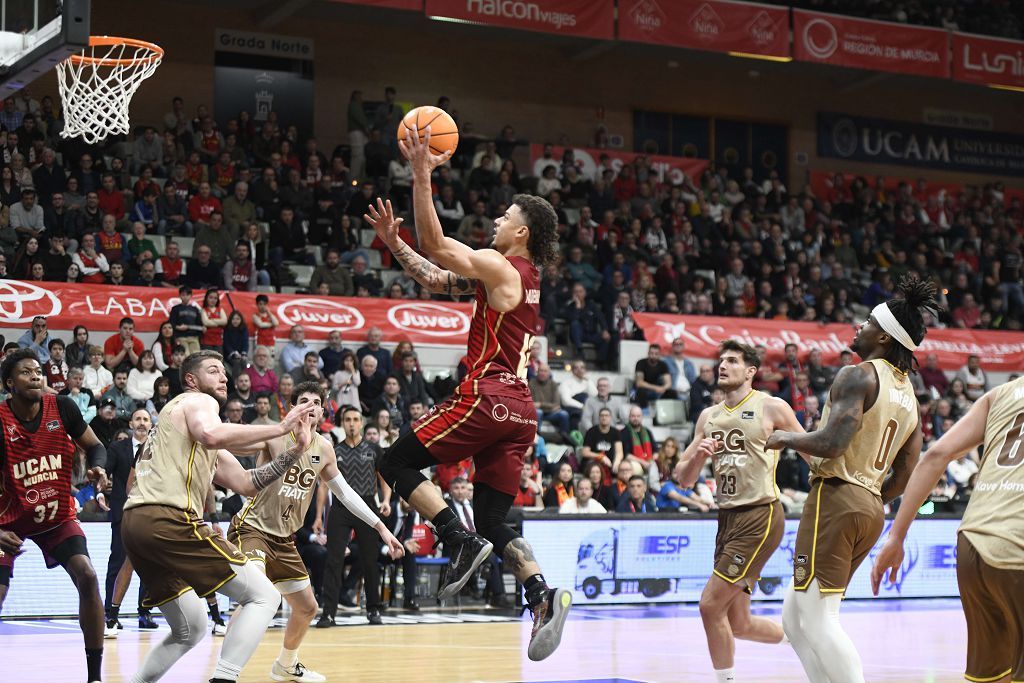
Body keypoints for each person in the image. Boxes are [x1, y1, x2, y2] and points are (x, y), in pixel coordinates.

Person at [367, 124, 569, 661]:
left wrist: (420, 173)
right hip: (522, 411)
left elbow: (437, 244)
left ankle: (456, 540)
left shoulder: (502, 264)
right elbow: (435, 275)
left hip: (488, 395)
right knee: (498, 520)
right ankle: (541, 595)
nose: (498, 221)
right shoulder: (512, 278)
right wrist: (394, 243)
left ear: (522, 233)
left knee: (394, 462)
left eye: (506, 218)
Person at [765, 276, 934, 683]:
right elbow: (908, 471)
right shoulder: (910, 395)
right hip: (871, 506)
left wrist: (786, 436)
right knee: (794, 615)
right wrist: (872, 494)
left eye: (868, 323)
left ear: (883, 337)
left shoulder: (856, 374)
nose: (859, 327)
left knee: (820, 619)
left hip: (837, 499)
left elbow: (834, 442)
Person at [120, 350, 318, 683]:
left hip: (136, 525)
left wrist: (295, 452)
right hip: (167, 518)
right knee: (265, 596)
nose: (224, 377)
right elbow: (212, 434)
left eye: (224, 371)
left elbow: (246, 483)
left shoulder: (184, 425)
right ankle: (224, 679)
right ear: (191, 380)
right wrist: (280, 427)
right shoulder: (197, 401)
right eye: (214, 370)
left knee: (191, 628)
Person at [229, 384, 402, 680]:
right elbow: (235, 444)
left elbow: (346, 495)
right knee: (256, 596)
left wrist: (381, 527)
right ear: (291, 408)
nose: (310, 406)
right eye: (303, 401)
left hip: (284, 539)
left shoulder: (323, 447)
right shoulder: (276, 435)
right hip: (252, 528)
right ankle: (224, 671)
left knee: (307, 607)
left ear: (322, 412)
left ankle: (286, 663)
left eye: (316, 402)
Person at [871, 377, 1024, 683]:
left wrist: (896, 537)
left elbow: (936, 456)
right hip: (1017, 546)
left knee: (991, 676)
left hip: (972, 544)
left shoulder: (1001, 393)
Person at [676, 340, 806, 683]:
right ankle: (799, 641)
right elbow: (681, 478)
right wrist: (700, 456)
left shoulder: (771, 406)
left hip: (760, 514)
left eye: (732, 361)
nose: (723, 366)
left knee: (709, 605)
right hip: (727, 518)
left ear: (751, 371)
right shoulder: (709, 416)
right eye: (721, 361)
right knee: (738, 623)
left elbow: (812, 451)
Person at [0, 349, 109, 683]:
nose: (35, 375)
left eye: (38, 370)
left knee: (88, 577)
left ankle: (94, 677)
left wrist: (98, 467)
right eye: (25, 372)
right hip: (8, 520)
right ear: (8, 383)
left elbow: (96, 446)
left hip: (56, 516)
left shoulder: (62, 407)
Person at [316, 406, 394, 627]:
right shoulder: (334, 450)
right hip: (340, 508)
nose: (351, 423)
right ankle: (328, 613)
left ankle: (373, 610)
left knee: (370, 560)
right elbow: (323, 485)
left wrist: (386, 500)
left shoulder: (374, 449)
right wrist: (319, 517)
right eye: (347, 419)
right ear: (342, 424)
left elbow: (384, 479)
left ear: (361, 423)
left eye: (355, 419)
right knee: (334, 560)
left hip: (368, 506)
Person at [103, 408, 157, 635]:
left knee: (148, 565)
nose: (142, 423)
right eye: (138, 419)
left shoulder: (159, 451)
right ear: (131, 424)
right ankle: (109, 614)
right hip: (122, 515)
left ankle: (144, 612)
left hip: (150, 516)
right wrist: (99, 491)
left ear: (150, 424)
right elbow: (104, 473)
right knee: (118, 563)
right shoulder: (118, 448)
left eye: (146, 419)